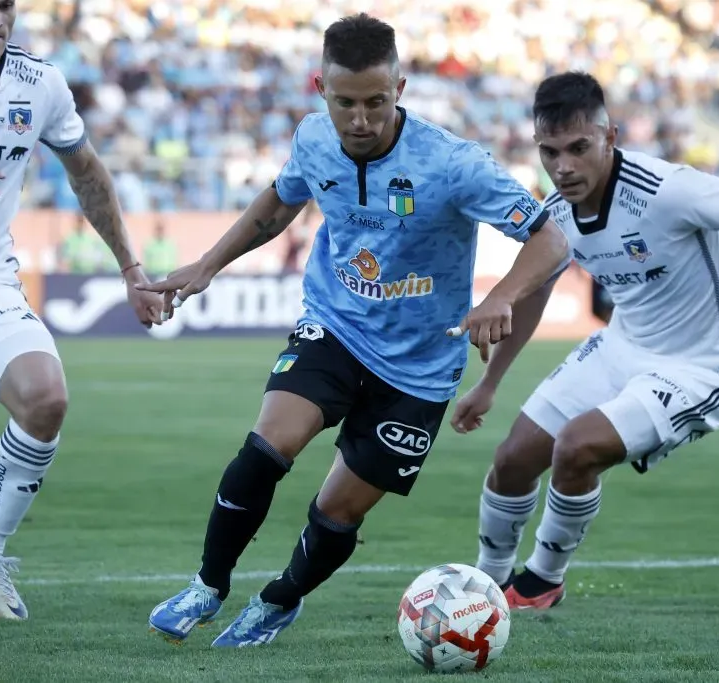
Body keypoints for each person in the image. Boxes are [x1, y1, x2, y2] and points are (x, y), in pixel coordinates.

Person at [140, 13, 568, 648]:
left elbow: (550, 238)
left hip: (421, 368)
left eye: (375, 101)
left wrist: (501, 294)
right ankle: (208, 585)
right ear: (321, 89)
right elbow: (281, 200)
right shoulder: (313, 138)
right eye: (346, 103)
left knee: (338, 511)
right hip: (336, 325)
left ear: (401, 86)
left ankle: (278, 601)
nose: (360, 119)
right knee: (269, 444)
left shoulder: (453, 164)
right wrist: (207, 265)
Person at [451, 72, 719, 610]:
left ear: (610, 137)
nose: (563, 166)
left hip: (702, 366)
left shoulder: (666, 189)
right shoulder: (556, 217)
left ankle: (542, 580)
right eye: (550, 152)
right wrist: (490, 383)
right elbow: (531, 296)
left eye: (579, 148)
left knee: (576, 447)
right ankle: (483, 587)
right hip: (624, 347)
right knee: (511, 458)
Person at [0, 2, 160, 620]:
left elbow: (88, 173)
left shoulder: (39, 83)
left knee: (45, 397)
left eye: (5, 5)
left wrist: (131, 270)